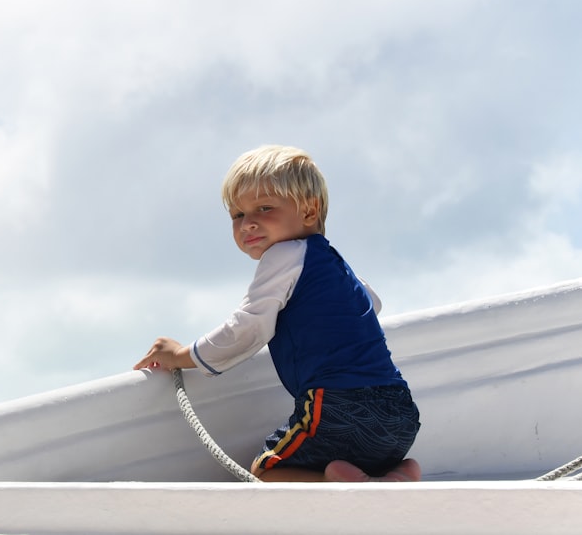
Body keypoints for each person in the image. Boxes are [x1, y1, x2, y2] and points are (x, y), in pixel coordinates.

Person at [134, 145, 421, 482]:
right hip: (399, 411)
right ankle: (395, 473)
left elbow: (249, 327)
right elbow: (372, 303)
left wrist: (181, 355)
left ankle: (353, 487)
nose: (247, 224)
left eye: (264, 208)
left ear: (310, 212)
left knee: (267, 470)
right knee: (360, 450)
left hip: (339, 404)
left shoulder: (283, 254)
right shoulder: (333, 262)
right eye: (237, 215)